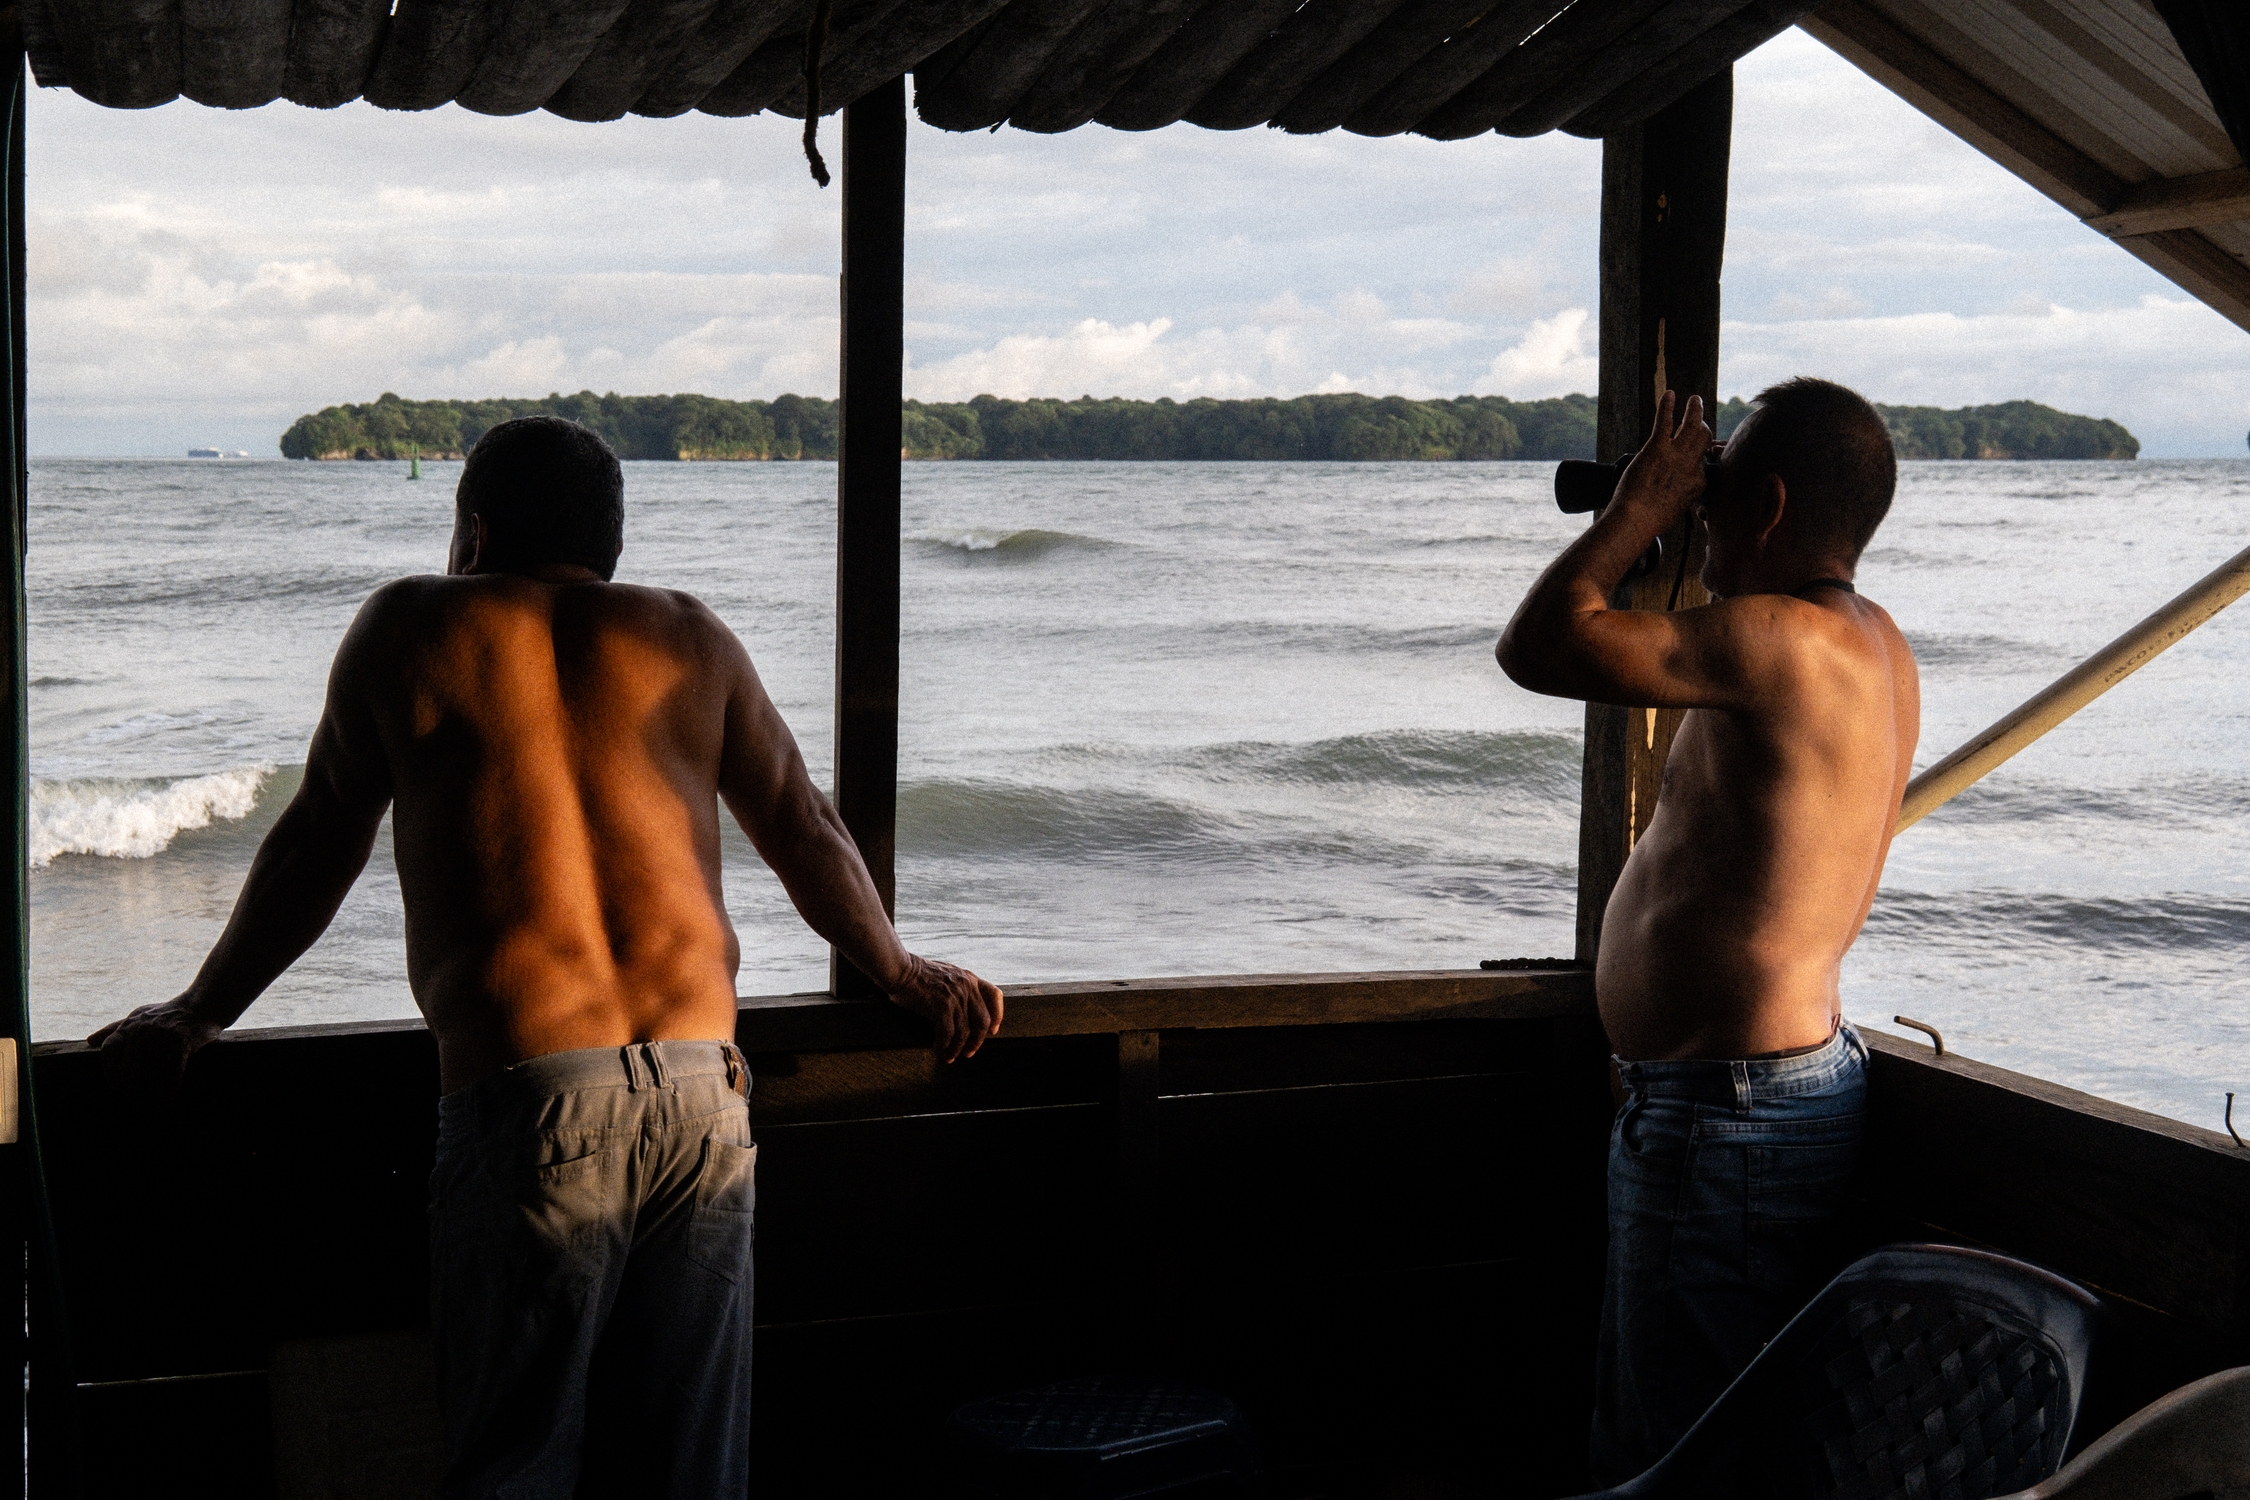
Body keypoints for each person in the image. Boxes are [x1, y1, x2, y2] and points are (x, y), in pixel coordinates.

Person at [90, 416, 1004, 1499]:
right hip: (706, 1096)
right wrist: (900, 973)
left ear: (473, 531)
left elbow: (317, 839)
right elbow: (806, 825)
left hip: (532, 1108)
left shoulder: (409, 625)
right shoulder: (693, 637)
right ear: (608, 541)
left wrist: (201, 1010)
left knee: (517, 1469)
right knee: (691, 1473)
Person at [1496, 379, 1918, 1482]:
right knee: (1689, 1430)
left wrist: (1636, 507)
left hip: (1729, 1108)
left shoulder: (1774, 639)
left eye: (1714, 495)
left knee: (1676, 1456)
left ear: (1765, 504)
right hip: (1759, 1088)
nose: (1702, 513)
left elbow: (1540, 644)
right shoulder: (1876, 645)